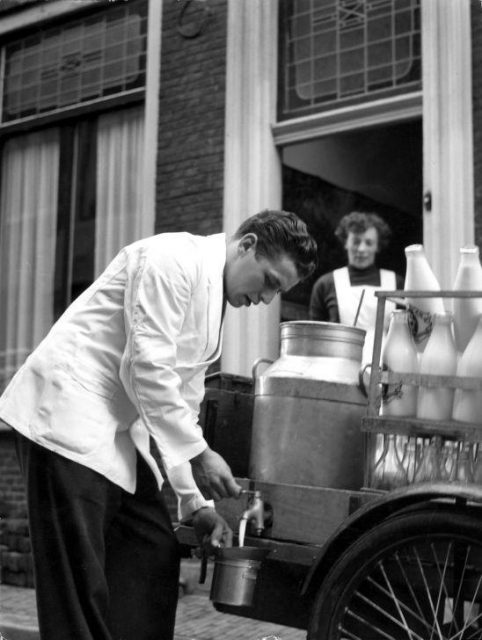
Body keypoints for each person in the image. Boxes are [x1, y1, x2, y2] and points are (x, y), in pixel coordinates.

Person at [0, 209, 317, 640]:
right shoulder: (171, 260)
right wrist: (200, 454)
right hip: (65, 419)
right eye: (269, 282)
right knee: (78, 589)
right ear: (247, 246)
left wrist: (196, 505)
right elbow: (146, 367)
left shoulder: (212, 305)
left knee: (151, 551)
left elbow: (182, 405)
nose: (265, 299)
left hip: (112, 435)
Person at [309, 211, 403, 364]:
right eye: (356, 241)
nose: (361, 249)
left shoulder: (396, 283)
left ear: (377, 246)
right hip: (339, 368)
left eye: (368, 242)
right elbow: (315, 339)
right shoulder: (326, 284)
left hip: (387, 371)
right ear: (345, 242)